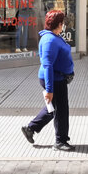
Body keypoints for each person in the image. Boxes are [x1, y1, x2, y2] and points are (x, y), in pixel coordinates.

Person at [21, 10, 75, 151]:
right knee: (61, 111)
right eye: (62, 23)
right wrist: (49, 90)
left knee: (53, 108)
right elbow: (47, 66)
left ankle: (31, 128)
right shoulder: (49, 40)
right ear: (58, 24)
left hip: (58, 78)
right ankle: (60, 142)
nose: (63, 25)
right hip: (54, 80)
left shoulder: (53, 36)